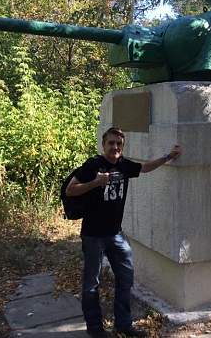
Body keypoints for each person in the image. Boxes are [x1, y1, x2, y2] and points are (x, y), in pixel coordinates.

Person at [66, 127, 181, 338]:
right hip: (93, 235)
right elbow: (70, 189)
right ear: (104, 145)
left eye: (119, 144)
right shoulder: (93, 165)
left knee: (126, 278)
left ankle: (123, 324)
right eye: (111, 143)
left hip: (116, 234)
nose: (115, 147)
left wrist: (168, 157)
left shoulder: (123, 165)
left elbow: (145, 168)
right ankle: (96, 329)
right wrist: (95, 183)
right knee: (92, 283)